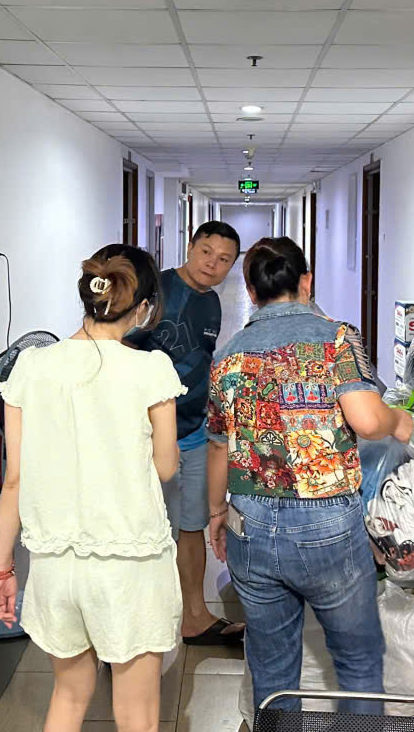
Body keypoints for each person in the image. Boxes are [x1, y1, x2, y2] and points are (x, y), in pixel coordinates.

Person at [206, 237, 414, 716]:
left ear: (251, 292)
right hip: (327, 526)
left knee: (272, 669)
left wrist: (216, 513)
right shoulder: (337, 338)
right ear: (307, 281)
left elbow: (218, 447)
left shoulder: (228, 355)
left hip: (249, 525)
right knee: (357, 660)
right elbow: (367, 421)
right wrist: (398, 420)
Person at [0, 245, 186, 732]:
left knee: (69, 695)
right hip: (129, 565)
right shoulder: (151, 368)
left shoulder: (31, 366)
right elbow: (165, 468)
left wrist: (1, 569)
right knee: (137, 714)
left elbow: (15, 478)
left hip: (56, 566)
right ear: (143, 307)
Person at [125, 221, 245, 646]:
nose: (212, 264)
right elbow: (123, 349)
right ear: (190, 246)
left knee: (191, 527)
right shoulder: (155, 290)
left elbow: (202, 359)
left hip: (194, 430)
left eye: (224, 259)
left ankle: (194, 616)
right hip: (145, 433)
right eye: (206, 252)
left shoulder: (211, 302)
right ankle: (130, 625)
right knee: (141, 528)